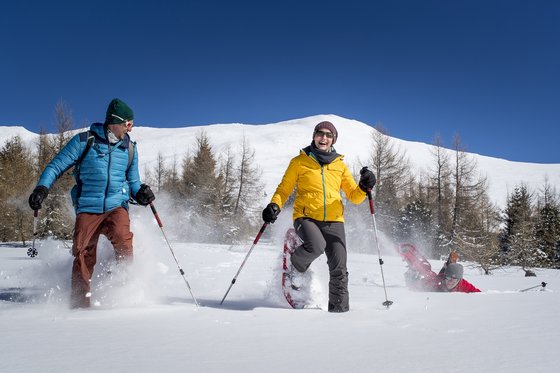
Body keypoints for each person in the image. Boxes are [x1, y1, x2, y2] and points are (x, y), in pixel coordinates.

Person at [28, 98, 155, 308]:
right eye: (128, 123)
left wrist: (140, 193)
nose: (131, 128)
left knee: (124, 243)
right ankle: (79, 304)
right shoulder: (84, 141)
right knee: (82, 252)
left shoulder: (129, 148)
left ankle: (126, 294)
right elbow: (55, 167)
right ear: (114, 122)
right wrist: (42, 188)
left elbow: (133, 181)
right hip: (88, 206)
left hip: (117, 205)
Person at [262, 121, 376, 312]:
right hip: (306, 217)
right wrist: (274, 204)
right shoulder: (299, 162)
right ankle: (295, 265)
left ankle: (338, 313)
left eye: (328, 135)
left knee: (339, 268)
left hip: (334, 221)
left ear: (333, 140)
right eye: (320, 134)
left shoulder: (340, 166)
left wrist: (364, 187)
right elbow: (284, 189)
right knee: (316, 245)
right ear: (314, 136)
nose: (324, 138)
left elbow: (354, 197)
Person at [404, 252, 481, 293]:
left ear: (459, 280)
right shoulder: (436, 281)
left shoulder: (462, 284)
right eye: (448, 278)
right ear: (445, 277)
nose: (450, 282)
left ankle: (449, 265)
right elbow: (416, 286)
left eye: (454, 280)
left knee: (450, 272)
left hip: (448, 272)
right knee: (430, 274)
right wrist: (411, 280)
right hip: (441, 276)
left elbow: (479, 294)